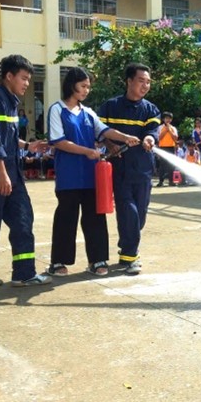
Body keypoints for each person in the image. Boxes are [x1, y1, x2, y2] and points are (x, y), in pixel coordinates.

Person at [0, 54, 52, 287]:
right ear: (9, 76)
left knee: (23, 219)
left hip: (11, 174)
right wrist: (2, 174)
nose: (26, 83)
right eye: (23, 78)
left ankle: (24, 273)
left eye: (28, 79)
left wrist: (28, 145)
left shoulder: (10, 101)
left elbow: (8, 139)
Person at [47, 67, 140, 278]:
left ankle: (98, 259)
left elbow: (104, 131)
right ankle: (58, 262)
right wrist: (88, 151)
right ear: (72, 85)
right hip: (69, 177)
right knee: (66, 217)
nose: (86, 90)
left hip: (91, 176)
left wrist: (125, 137)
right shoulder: (57, 110)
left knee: (95, 218)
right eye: (83, 86)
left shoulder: (88, 112)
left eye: (88, 86)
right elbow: (59, 141)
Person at [97, 63, 161, 276]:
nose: (145, 85)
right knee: (128, 212)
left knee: (140, 215)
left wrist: (150, 138)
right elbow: (98, 130)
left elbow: (153, 130)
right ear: (129, 81)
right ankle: (133, 257)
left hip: (143, 170)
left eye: (148, 82)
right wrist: (110, 145)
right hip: (120, 170)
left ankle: (126, 253)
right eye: (141, 81)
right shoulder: (110, 106)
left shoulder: (150, 109)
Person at [156, 111, 178, 187]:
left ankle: (171, 181)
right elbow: (159, 137)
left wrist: (169, 130)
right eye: (166, 118)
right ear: (163, 119)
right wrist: (165, 130)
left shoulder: (173, 128)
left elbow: (175, 138)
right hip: (162, 147)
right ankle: (161, 181)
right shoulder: (160, 127)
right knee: (162, 165)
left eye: (169, 118)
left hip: (171, 147)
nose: (168, 120)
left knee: (171, 165)